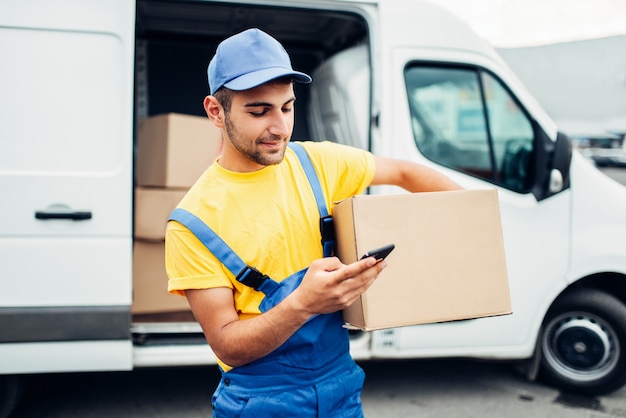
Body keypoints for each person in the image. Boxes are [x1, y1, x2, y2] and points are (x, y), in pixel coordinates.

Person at [165, 28, 462, 417]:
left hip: (342, 387)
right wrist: (304, 304)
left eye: (286, 107)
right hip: (261, 401)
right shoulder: (192, 223)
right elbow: (228, 346)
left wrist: (471, 221)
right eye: (259, 111)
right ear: (215, 111)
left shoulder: (316, 163)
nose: (280, 127)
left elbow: (405, 173)